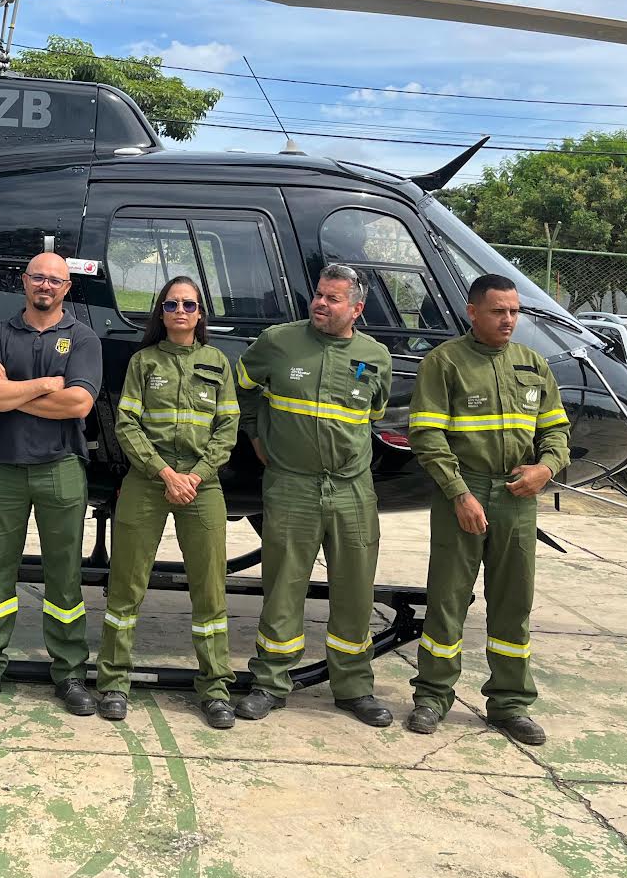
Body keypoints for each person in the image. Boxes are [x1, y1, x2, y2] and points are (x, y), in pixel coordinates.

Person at [405, 273, 570, 746]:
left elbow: (556, 431)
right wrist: (459, 493)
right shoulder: (445, 363)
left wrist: (546, 468)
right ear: (472, 312)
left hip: (519, 497)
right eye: (498, 311)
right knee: (448, 599)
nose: (508, 319)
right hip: (464, 492)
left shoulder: (533, 365)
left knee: (514, 604)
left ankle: (510, 703)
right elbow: (427, 436)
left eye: (514, 311)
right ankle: (432, 696)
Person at [234, 264, 395, 728]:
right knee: (283, 586)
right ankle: (270, 683)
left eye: (333, 298)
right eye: (319, 295)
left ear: (357, 309)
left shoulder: (375, 356)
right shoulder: (278, 342)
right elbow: (241, 389)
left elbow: (374, 414)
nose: (321, 304)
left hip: (352, 489)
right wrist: (255, 434)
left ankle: (354, 687)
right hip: (291, 485)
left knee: (355, 590)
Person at [0, 252, 103, 715]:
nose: (46, 285)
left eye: (55, 280)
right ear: (24, 281)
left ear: (67, 288)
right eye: (38, 277)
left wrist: (11, 391)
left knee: (64, 576)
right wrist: (44, 385)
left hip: (62, 468)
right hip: (4, 469)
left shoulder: (82, 337)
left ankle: (70, 672)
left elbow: (78, 404)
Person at [95, 276, 239, 729]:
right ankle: (114, 682)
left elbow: (227, 429)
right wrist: (164, 473)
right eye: (172, 304)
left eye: (189, 305)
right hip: (148, 480)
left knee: (210, 590)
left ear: (200, 313)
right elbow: (126, 424)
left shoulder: (217, 362)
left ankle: (215, 687)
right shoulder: (144, 362)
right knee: (126, 585)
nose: (180, 311)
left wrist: (194, 475)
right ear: (161, 312)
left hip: (201, 485)